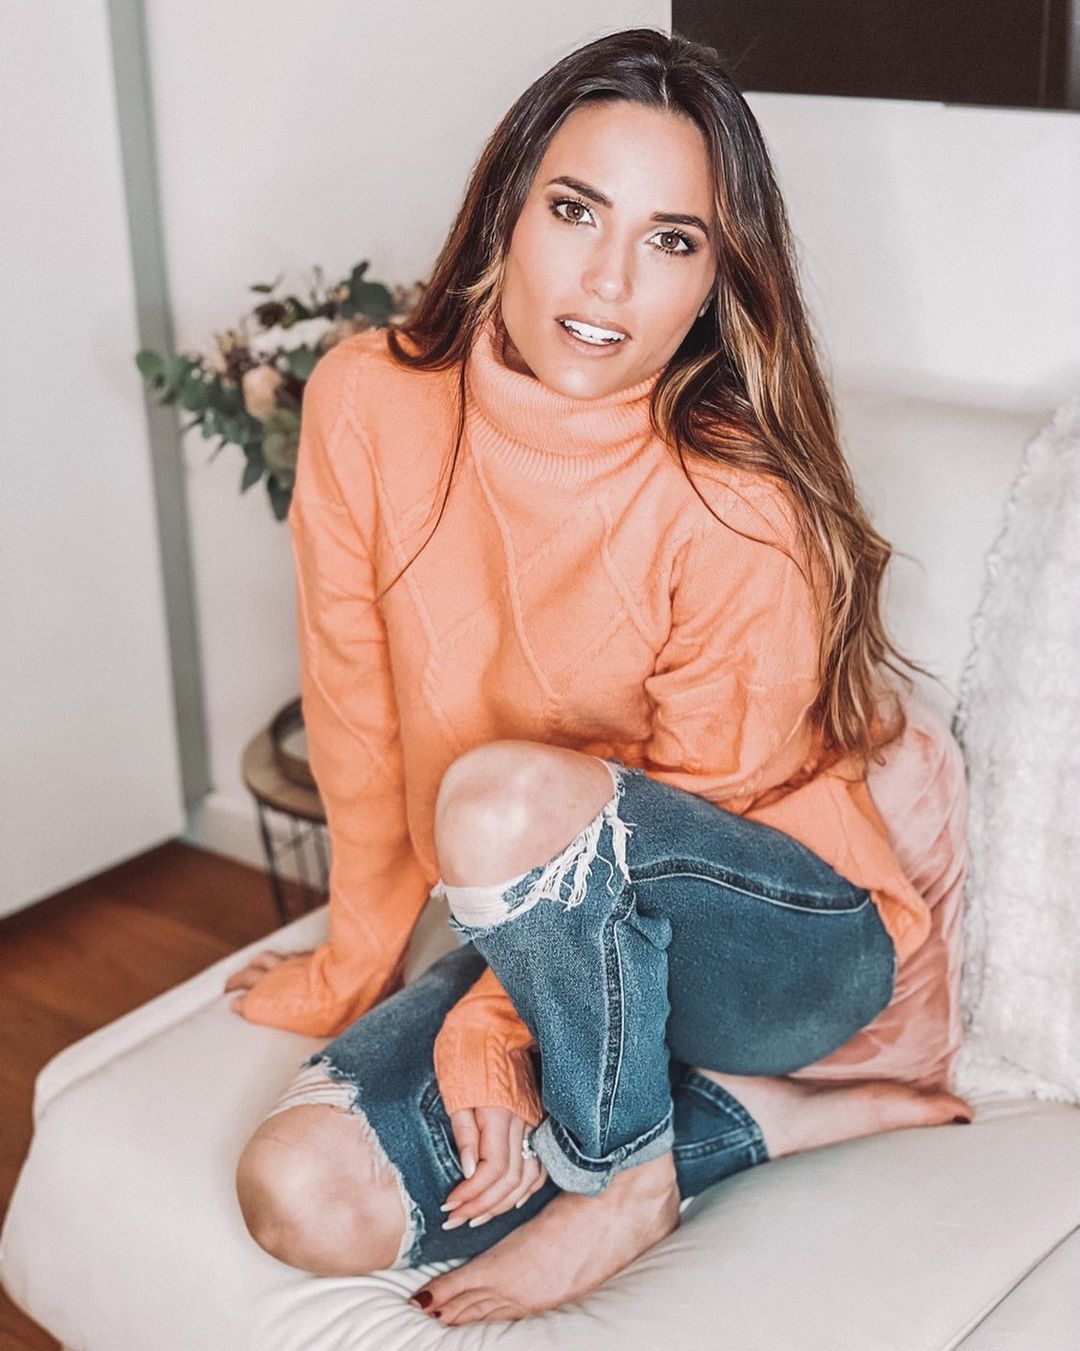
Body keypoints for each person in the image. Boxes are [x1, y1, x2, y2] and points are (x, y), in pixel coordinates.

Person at [224, 27, 973, 1327]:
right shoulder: (365, 401)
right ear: (506, 212)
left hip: (779, 948)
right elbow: (354, 706)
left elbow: (699, 809)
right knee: (299, 1194)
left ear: (715, 283)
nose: (610, 279)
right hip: (566, 942)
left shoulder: (736, 501)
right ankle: (750, 1123)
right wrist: (356, 957)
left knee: (499, 799)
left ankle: (630, 1180)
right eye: (576, 211)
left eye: (673, 240)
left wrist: (490, 1023)